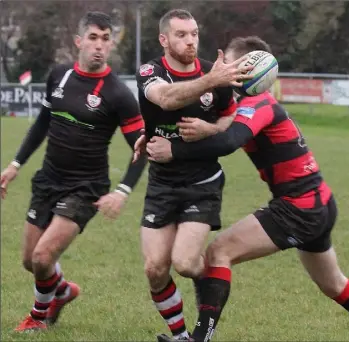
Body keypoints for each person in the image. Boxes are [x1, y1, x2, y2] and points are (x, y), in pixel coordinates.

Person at [143, 36, 349, 341]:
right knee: (334, 285)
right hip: (316, 203)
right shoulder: (240, 104)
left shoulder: (259, 103)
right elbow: (195, 118)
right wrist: (149, 134)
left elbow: (230, 141)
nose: (222, 68)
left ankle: (199, 338)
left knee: (219, 252)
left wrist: (174, 151)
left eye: (228, 62)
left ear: (247, 68)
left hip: (300, 207)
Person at [0, 11, 147, 332]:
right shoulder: (59, 75)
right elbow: (42, 123)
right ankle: (62, 291)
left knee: (42, 257)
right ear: (79, 41)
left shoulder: (119, 94)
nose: (99, 46)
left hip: (86, 188)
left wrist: (122, 192)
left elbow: (141, 148)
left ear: (111, 46)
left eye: (105, 39)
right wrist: (15, 165)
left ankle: (38, 320)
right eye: (93, 38)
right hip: (48, 180)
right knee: (30, 261)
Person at [134, 9, 253, 341]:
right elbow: (166, 99)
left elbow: (231, 119)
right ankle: (182, 336)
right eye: (181, 34)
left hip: (202, 183)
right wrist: (210, 81)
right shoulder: (150, 71)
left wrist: (209, 128)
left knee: (185, 263)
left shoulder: (214, 76)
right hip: (162, 182)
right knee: (155, 269)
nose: (190, 41)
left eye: (194, 34)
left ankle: (215, 281)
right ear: (164, 39)